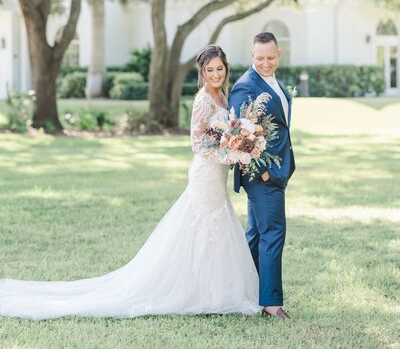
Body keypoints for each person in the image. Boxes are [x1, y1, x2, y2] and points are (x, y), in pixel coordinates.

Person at [0, 44, 260, 319]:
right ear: (202, 72)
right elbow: (197, 143)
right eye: (210, 70)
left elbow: (219, 134)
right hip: (205, 173)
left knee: (215, 226)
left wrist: (235, 147)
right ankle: (201, 292)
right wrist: (229, 153)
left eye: (219, 69)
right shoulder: (203, 99)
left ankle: (213, 288)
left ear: (226, 69)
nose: (216, 74)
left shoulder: (222, 96)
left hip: (216, 174)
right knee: (205, 226)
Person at [229, 32, 295, 319]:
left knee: (256, 234)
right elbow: (237, 136)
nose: (265, 63)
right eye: (259, 58)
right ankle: (270, 303)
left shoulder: (275, 83)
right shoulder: (245, 87)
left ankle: (245, 291)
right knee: (273, 233)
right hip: (262, 175)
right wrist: (265, 172)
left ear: (278, 55)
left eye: (270, 58)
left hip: (276, 169)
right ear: (251, 56)